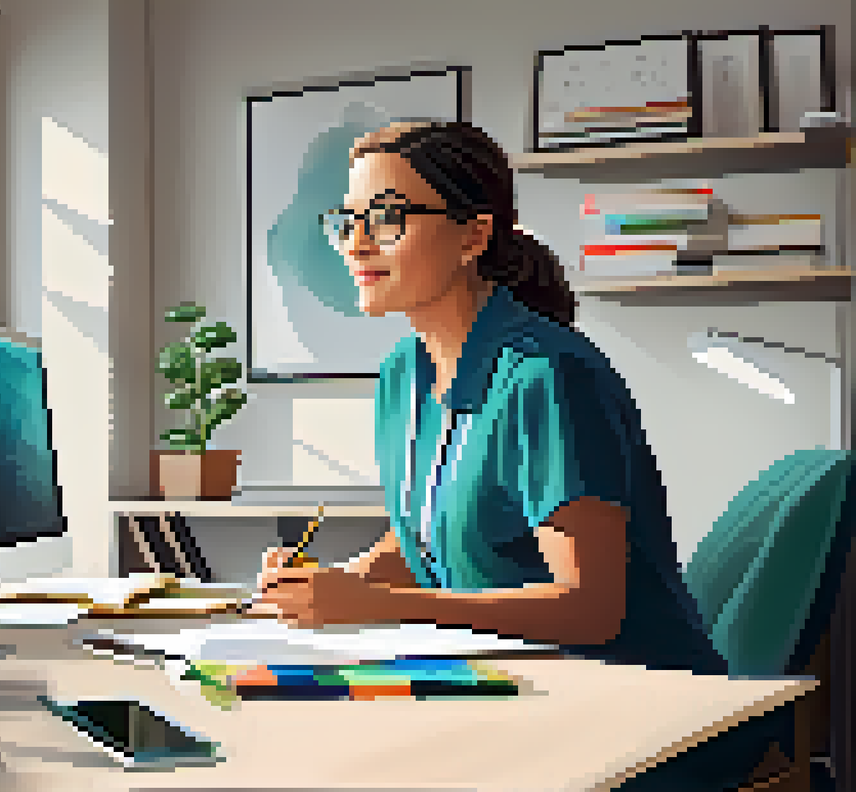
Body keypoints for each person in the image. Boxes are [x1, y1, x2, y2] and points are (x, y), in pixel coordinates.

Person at [252, 119, 728, 677]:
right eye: (348, 221)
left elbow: (590, 609)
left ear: (473, 237)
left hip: (632, 700)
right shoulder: (401, 374)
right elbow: (431, 534)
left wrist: (378, 605)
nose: (356, 244)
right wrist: (336, 583)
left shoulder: (546, 376)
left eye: (386, 220)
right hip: (497, 681)